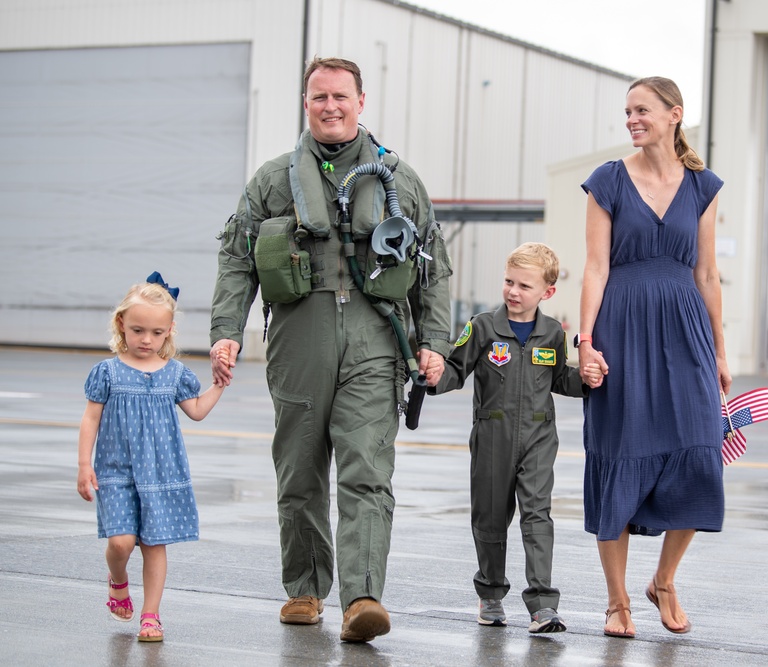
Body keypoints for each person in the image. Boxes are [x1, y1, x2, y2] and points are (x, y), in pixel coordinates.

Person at [209, 57, 452, 643]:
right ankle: (304, 589)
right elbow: (237, 256)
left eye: (340, 96)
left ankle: (362, 597)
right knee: (299, 472)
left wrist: (435, 341)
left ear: (361, 102)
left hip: (374, 339)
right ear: (306, 102)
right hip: (298, 339)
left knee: (367, 470)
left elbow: (433, 268)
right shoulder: (272, 181)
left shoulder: (399, 178)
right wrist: (227, 329)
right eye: (319, 97)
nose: (330, 106)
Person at [577, 77, 731, 639]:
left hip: (686, 327)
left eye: (642, 110)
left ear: (674, 115)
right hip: (621, 325)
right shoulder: (608, 181)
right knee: (619, 451)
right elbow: (595, 268)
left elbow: (708, 275)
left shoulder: (703, 186)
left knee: (700, 449)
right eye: (627, 112)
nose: (631, 119)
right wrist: (586, 343)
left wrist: (718, 351)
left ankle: (663, 579)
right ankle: (618, 602)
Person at [427, 242, 603, 633]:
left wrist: (587, 380)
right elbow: (456, 370)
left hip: (539, 436)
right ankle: (490, 595)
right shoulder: (483, 327)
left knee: (537, 516)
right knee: (490, 519)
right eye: (509, 281)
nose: (513, 292)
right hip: (493, 435)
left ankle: (543, 605)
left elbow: (560, 378)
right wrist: (436, 377)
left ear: (547, 292)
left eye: (524, 285)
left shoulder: (553, 333)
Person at [77, 274, 225, 643]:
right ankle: (118, 582)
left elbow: (196, 410)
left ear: (169, 331)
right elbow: (90, 418)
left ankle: (151, 615)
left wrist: (219, 383)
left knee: (154, 545)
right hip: (116, 472)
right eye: (138, 330)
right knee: (122, 543)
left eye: (157, 333)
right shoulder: (107, 372)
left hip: (161, 473)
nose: (147, 340)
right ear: (121, 325)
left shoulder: (175, 373)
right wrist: (84, 465)